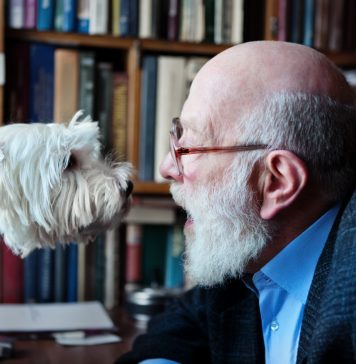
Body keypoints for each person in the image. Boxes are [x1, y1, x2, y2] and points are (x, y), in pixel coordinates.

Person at [117, 41, 356, 364]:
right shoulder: (249, 250)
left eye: (188, 148)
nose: (166, 168)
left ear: (276, 182)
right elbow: (180, 326)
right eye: (177, 136)